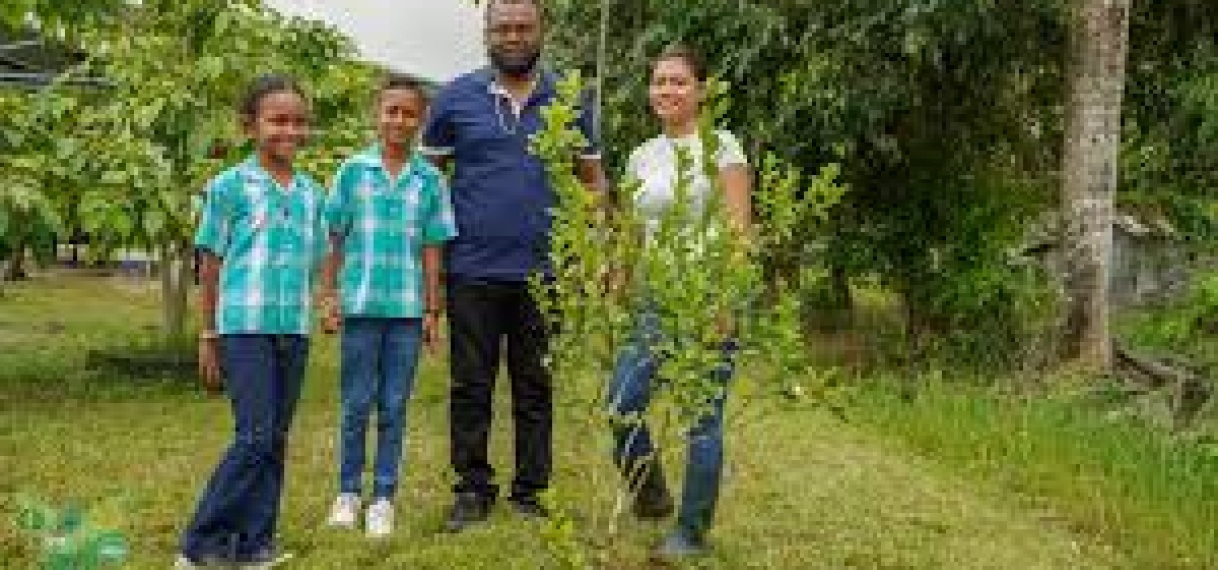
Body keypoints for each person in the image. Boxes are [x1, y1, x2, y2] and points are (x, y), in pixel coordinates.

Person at [420, 0, 605, 532]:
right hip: (471, 269)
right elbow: (429, 187)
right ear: (487, 33)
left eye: (524, 27)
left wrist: (594, 256)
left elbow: (592, 185)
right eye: (503, 28)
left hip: (547, 274)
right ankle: (472, 490)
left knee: (535, 386)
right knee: (470, 386)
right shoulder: (455, 99)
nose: (514, 36)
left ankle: (531, 490)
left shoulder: (572, 102)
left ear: (541, 31)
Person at [606, 44, 752, 558]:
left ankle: (690, 532)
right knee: (621, 404)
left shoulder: (722, 147)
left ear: (701, 91)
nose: (665, 90)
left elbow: (738, 232)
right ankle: (651, 498)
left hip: (705, 297)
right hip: (651, 300)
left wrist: (726, 302)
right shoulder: (641, 155)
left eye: (678, 82)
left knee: (702, 420)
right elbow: (629, 228)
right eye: (659, 81)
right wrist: (619, 281)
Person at [178, 73, 326, 568]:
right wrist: (208, 332)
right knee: (255, 437)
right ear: (251, 126)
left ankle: (254, 544)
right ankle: (200, 543)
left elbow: (317, 258)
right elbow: (211, 263)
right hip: (244, 327)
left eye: (300, 122)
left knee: (276, 440)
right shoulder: (228, 187)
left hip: (293, 329)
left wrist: (325, 301)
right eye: (278, 120)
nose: (290, 130)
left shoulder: (311, 193)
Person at [321, 74, 457, 538]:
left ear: (421, 121)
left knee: (395, 406)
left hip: (406, 310)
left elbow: (433, 248)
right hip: (359, 307)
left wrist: (432, 310)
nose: (399, 120)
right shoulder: (352, 172)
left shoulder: (431, 181)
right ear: (377, 115)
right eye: (390, 111)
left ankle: (383, 497)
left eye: (409, 113)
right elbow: (333, 237)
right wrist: (330, 295)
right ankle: (346, 493)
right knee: (356, 403)